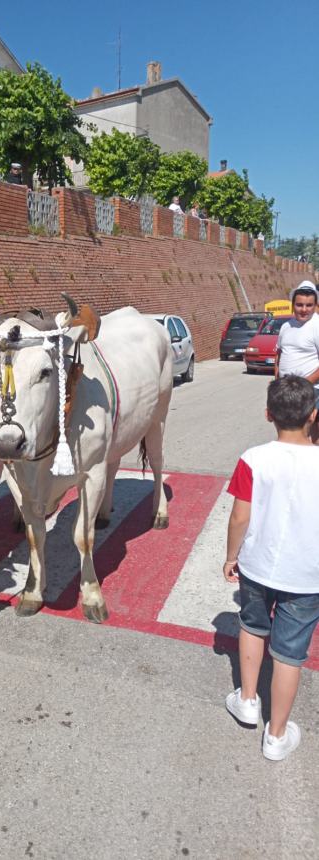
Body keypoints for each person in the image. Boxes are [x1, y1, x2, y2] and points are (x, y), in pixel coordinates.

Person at [224, 375, 319, 761]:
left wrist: (231, 557)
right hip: (307, 575)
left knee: (252, 625)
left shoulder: (252, 459)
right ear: (313, 415)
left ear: (268, 415)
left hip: (258, 566)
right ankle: (276, 736)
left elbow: (239, 518)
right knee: (289, 654)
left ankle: (247, 700)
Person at [275, 280, 319, 442]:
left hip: (312, 390)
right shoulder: (286, 326)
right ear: (292, 304)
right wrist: (277, 382)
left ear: (315, 305)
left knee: (312, 433)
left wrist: (304, 385)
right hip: (286, 389)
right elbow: (279, 354)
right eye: (300, 305)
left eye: (309, 305)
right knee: (287, 432)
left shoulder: (317, 326)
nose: (304, 309)